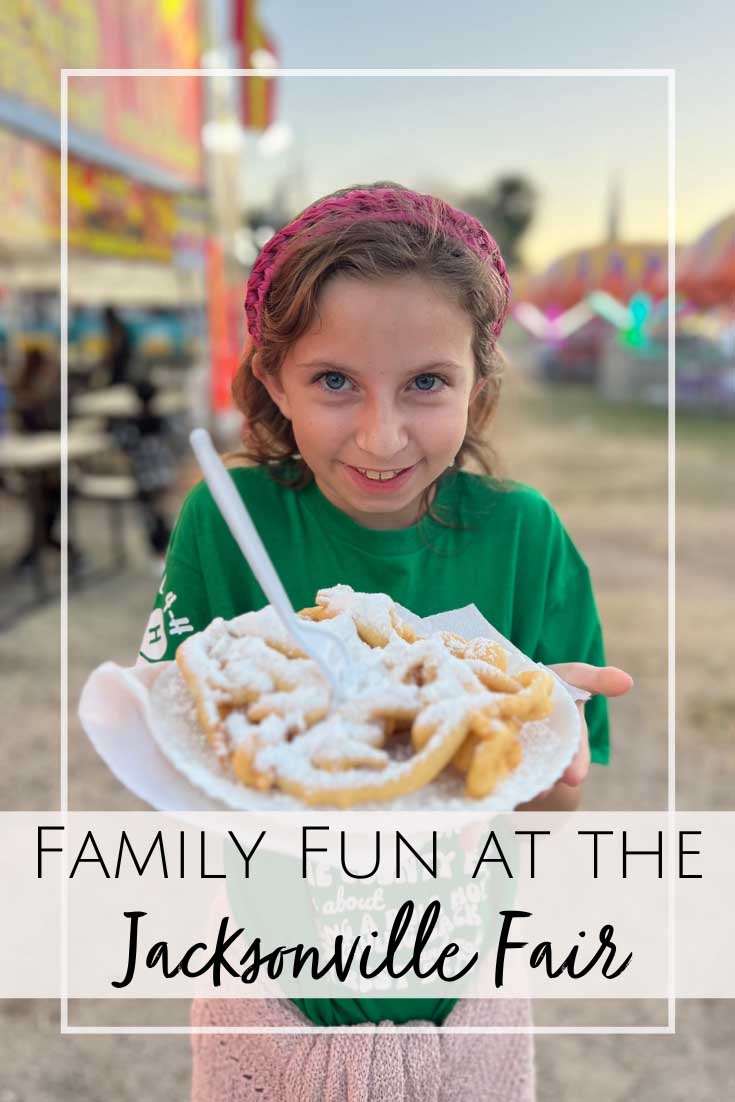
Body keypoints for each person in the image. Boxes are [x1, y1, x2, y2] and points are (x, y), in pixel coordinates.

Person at [137, 182, 633, 1100]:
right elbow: (178, 764)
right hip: (266, 991)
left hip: (467, 998)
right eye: (334, 382)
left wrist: (540, 740)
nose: (381, 435)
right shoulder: (226, 518)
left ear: (477, 385)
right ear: (274, 378)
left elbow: (553, 819)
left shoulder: (524, 535)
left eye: (425, 384)